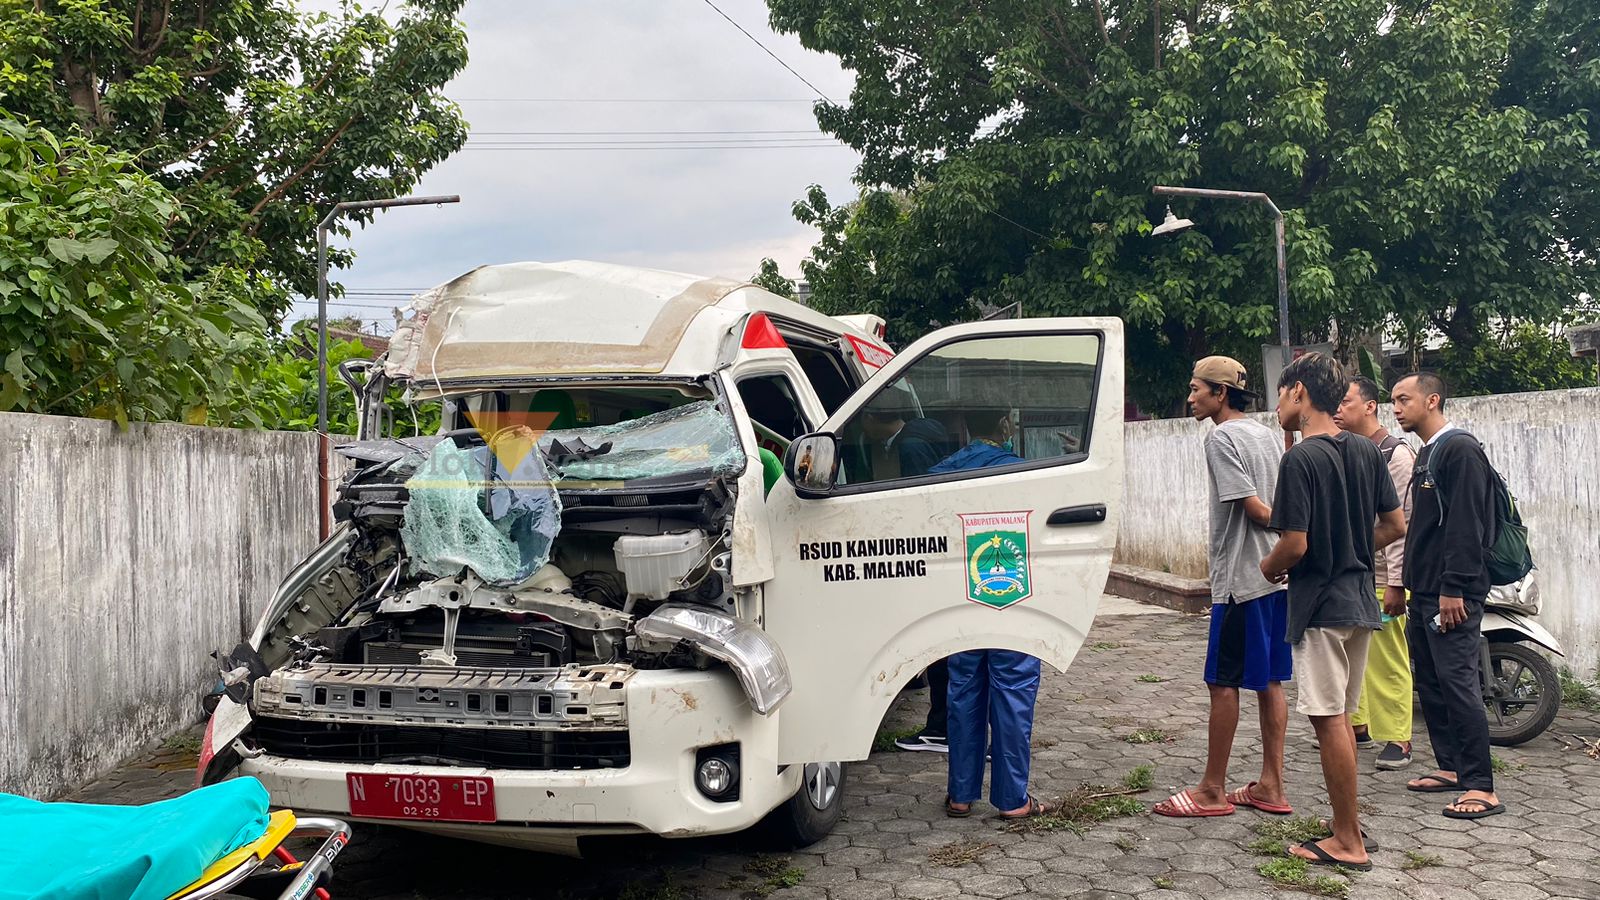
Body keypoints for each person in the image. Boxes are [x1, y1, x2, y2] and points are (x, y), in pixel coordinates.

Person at [1259, 353, 1405, 871]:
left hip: (1320, 606)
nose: (1275, 406)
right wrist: (1349, 547)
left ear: (1298, 392)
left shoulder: (1299, 459)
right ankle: (1348, 821)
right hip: (1360, 603)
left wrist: (1267, 567)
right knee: (1342, 719)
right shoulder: (1367, 452)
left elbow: (1293, 545)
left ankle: (1348, 841)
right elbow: (1395, 524)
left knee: (1329, 721)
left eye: (1278, 395)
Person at [1155, 357, 1292, 820]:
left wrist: (1292, 528)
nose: (1190, 397)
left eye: (1196, 390)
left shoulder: (1222, 437)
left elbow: (1254, 508)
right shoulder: (1267, 435)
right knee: (1271, 681)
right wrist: (1291, 538)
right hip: (1276, 577)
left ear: (1220, 394)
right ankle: (1271, 785)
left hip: (1240, 581)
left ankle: (1211, 790)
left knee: (1223, 682)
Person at [1392, 372, 1505, 820]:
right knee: (1433, 683)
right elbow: (1422, 529)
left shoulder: (1460, 449)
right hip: (1425, 591)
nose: (1396, 407)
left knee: (1459, 685)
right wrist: (1403, 582)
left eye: (1405, 399)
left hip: (1451, 592)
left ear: (1432, 400)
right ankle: (1452, 768)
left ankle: (1481, 785)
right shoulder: (1428, 452)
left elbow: (1466, 523)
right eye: (1393, 400)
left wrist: (1453, 586)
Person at [931, 409, 1050, 819]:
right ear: (1004, 426)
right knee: (1013, 688)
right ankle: (1013, 800)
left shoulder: (942, 472)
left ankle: (961, 795)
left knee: (963, 689)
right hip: (1013, 584)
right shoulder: (1028, 472)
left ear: (965, 427)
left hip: (961, 589)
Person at [1334, 376, 1417, 770]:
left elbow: (1402, 526)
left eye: (1346, 401)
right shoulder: (1348, 450)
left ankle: (1399, 738)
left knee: (1387, 657)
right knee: (1355, 653)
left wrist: (1397, 583)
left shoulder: (1395, 456)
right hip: (1357, 572)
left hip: (1385, 574)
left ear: (1370, 406)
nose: (1338, 408)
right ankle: (1358, 724)